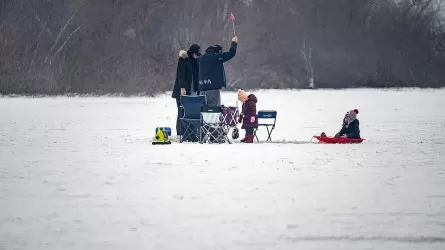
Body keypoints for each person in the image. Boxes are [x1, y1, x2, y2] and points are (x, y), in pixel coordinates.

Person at [198, 36, 238, 106]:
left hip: (201, 87)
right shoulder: (217, 56)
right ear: (218, 51)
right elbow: (231, 53)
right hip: (212, 88)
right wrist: (234, 43)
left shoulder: (201, 58)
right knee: (213, 110)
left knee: (203, 110)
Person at [171, 44, 201, 136]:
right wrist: (182, 87)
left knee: (191, 112)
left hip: (192, 91)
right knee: (181, 112)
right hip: (182, 90)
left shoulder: (196, 62)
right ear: (192, 53)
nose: (197, 56)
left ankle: (191, 132)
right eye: (196, 54)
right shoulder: (183, 60)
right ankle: (181, 132)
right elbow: (181, 75)